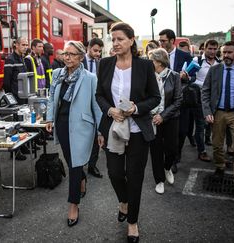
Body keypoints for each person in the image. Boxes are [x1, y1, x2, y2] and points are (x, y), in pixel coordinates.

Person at [96, 22, 160, 242]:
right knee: (114, 173)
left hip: (137, 130)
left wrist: (136, 108)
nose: (115, 43)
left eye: (120, 39)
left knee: (135, 177)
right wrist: (110, 110)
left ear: (132, 40)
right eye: (112, 39)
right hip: (114, 128)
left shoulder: (144, 66)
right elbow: (99, 96)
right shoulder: (104, 64)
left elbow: (155, 97)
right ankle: (124, 201)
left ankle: (132, 222)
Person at [45, 40, 103, 227]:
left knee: (76, 164)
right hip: (62, 125)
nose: (67, 57)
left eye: (71, 54)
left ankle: (73, 204)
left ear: (80, 57)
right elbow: (51, 97)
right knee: (72, 162)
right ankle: (82, 179)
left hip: (82, 126)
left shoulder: (90, 78)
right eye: (65, 54)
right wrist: (49, 119)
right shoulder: (57, 74)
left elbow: (96, 106)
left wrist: (101, 131)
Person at [201, 41, 234, 195]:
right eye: (224, 52)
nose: (226, 55)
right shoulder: (214, 70)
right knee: (218, 145)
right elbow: (205, 92)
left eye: (229, 52)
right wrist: (207, 111)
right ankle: (220, 166)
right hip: (217, 113)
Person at [148, 48, 182, 194]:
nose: (149, 63)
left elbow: (178, 100)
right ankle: (159, 180)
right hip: (152, 119)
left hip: (170, 118)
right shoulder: (148, 76)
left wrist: (163, 115)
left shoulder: (174, 76)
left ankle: (167, 167)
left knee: (172, 149)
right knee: (155, 151)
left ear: (160, 62)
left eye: (151, 61)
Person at [159, 29, 193, 173]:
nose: (161, 43)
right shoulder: (157, 55)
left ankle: (175, 156)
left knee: (181, 131)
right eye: (160, 40)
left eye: (163, 41)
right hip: (161, 100)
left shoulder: (185, 56)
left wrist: (187, 77)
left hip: (180, 100)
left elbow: (194, 76)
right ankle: (166, 160)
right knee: (162, 133)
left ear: (172, 41)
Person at [192, 39, 220, 161]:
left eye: (215, 49)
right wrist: (204, 85)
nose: (212, 51)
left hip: (215, 99)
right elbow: (190, 78)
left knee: (213, 124)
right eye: (210, 48)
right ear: (204, 48)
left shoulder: (220, 63)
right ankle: (202, 151)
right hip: (199, 97)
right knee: (200, 125)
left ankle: (213, 146)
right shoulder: (196, 61)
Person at [82, 37, 104, 178]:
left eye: (100, 52)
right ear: (88, 48)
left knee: (97, 133)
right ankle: (80, 162)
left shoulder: (100, 63)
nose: (97, 54)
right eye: (95, 51)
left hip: (96, 103)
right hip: (82, 103)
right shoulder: (79, 60)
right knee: (83, 135)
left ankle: (92, 165)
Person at [3, 36, 28, 103]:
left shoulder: (22, 59)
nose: (25, 47)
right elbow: (6, 81)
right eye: (23, 45)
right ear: (16, 45)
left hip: (23, 95)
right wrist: (10, 97)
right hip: (15, 96)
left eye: (26, 45)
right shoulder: (10, 59)